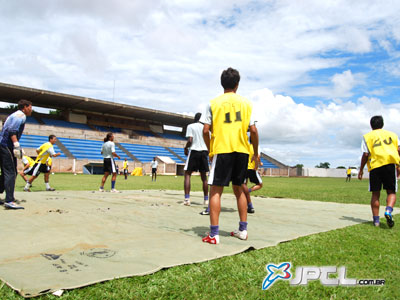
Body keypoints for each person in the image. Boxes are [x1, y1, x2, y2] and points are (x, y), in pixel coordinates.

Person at [201, 67, 259, 244]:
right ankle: (243, 230)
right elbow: (254, 130)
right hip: (242, 151)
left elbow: (205, 130)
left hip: (222, 149)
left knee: (216, 191)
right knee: (240, 189)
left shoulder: (212, 103)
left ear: (222, 83)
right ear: (237, 84)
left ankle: (214, 234)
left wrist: (210, 149)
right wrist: (255, 153)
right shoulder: (247, 104)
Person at [358, 115, 400, 228]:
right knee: (391, 191)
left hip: (375, 166)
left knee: (375, 194)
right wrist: (398, 165)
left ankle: (376, 221)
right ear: (382, 124)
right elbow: (399, 150)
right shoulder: (393, 135)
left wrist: (361, 169)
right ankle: (388, 211)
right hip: (389, 164)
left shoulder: (367, 136)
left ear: (371, 125)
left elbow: (365, 154)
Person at [0, 99, 32, 209]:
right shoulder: (21, 115)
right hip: (6, 145)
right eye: (30, 107)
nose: (31, 110)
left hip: (2, 144)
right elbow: (12, 130)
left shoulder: (13, 115)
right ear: (25, 107)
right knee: (11, 172)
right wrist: (16, 144)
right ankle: (9, 200)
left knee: (5, 172)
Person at [183, 112, 209, 206]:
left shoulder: (191, 126)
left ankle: (187, 199)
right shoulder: (206, 128)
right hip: (204, 152)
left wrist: (186, 148)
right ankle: (206, 200)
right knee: (204, 177)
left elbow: (190, 140)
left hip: (194, 151)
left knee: (187, 174)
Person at [242, 139, 263, 214]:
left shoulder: (245, 146)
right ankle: (249, 191)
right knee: (260, 185)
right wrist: (258, 164)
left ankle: (248, 204)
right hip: (251, 168)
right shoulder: (256, 147)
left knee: (244, 185)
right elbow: (257, 156)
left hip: (243, 169)